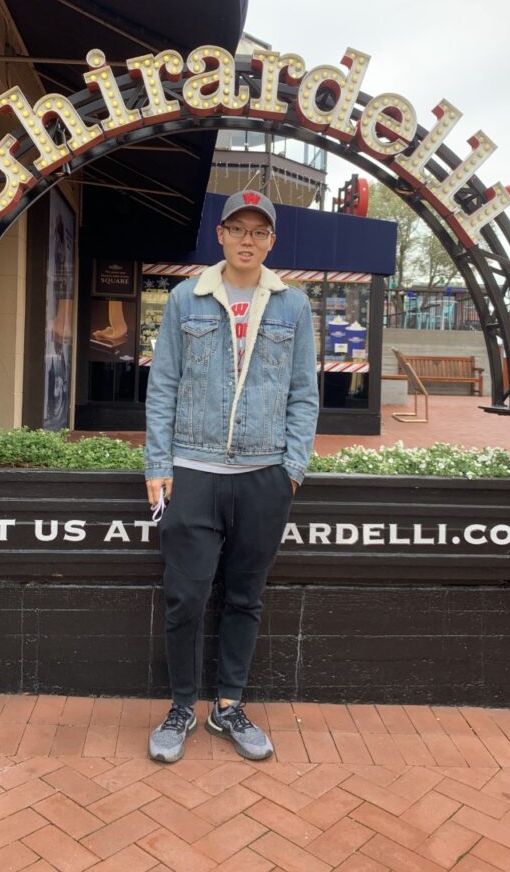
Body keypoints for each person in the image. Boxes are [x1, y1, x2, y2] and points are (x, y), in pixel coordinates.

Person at [144, 190, 319, 763]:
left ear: (272, 241)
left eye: (259, 231)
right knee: (185, 597)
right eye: (238, 229)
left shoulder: (293, 306)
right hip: (193, 471)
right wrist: (158, 464)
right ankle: (181, 707)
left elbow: (303, 394)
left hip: (264, 474)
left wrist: (291, 469)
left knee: (245, 597)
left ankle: (228, 705)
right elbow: (163, 383)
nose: (248, 240)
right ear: (220, 235)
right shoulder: (184, 299)